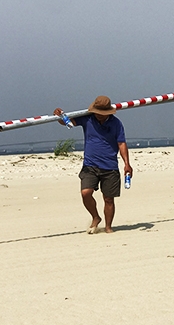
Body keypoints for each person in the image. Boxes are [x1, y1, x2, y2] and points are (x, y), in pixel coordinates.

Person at [54, 96, 133, 234]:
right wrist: (59, 116)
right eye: (97, 113)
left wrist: (127, 164)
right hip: (90, 165)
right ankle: (95, 217)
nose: (99, 116)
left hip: (110, 166)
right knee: (86, 193)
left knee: (108, 198)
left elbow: (121, 143)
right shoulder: (87, 118)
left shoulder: (116, 124)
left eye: (102, 114)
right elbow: (68, 123)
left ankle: (108, 227)